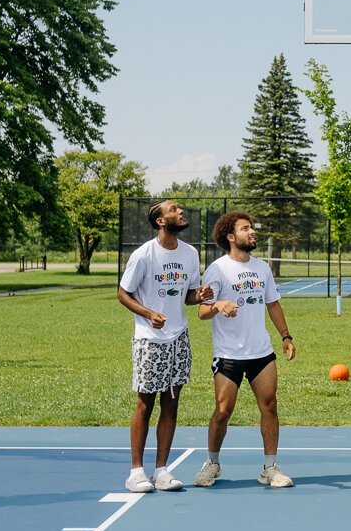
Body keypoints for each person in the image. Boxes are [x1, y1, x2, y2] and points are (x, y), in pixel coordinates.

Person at [192, 211, 298, 488]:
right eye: (245, 228)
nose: (252, 232)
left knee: (270, 406)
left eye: (252, 227)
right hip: (228, 355)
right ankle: (212, 463)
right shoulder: (218, 269)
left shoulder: (262, 268)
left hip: (261, 353)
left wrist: (285, 336)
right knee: (223, 410)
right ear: (231, 236)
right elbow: (202, 311)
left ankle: (270, 468)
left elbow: (273, 303)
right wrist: (217, 305)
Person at [117, 199, 214, 493]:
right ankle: (136, 472)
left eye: (179, 209)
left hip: (179, 337)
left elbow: (188, 296)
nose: (180, 212)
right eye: (173, 210)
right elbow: (123, 293)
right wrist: (148, 313)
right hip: (149, 339)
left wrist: (201, 295)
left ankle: (161, 470)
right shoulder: (144, 254)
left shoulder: (189, 253)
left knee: (171, 402)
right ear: (161, 221)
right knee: (145, 403)